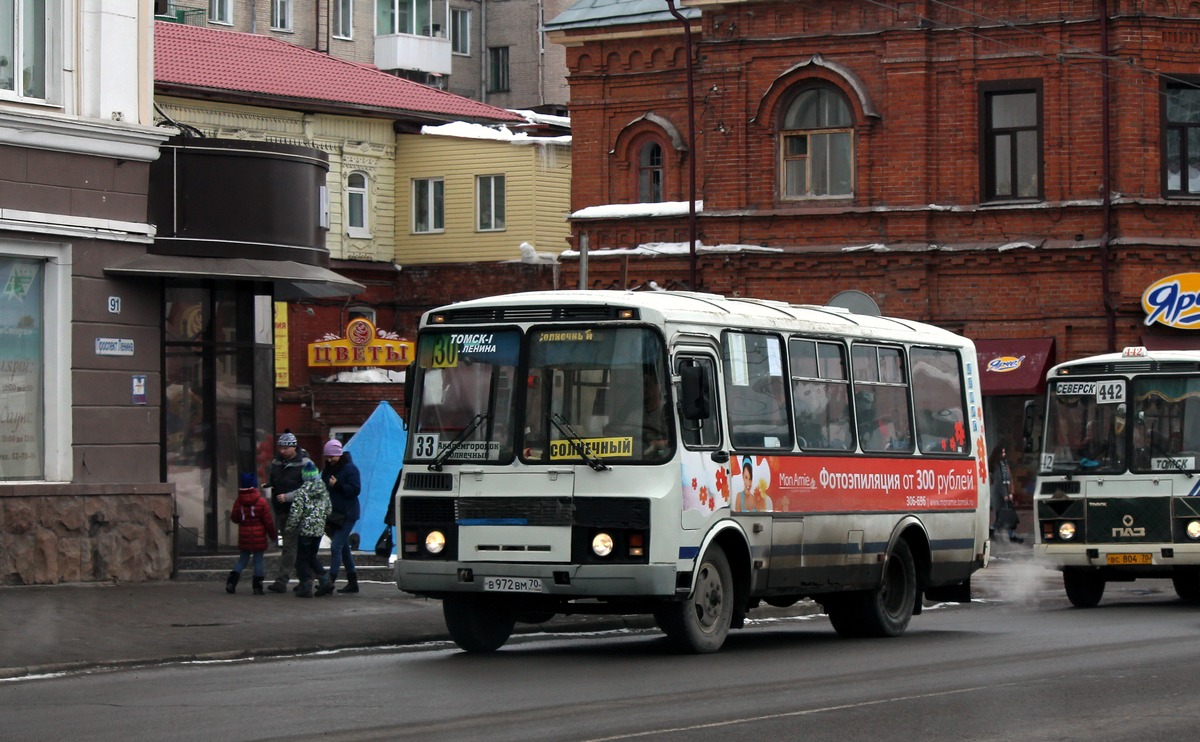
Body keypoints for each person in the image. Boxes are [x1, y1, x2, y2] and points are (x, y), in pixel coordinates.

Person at [265, 431, 314, 594]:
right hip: (282, 510)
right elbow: (274, 479)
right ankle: (305, 580)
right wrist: (269, 486)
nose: (282, 451)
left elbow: (311, 487)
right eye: (280, 448)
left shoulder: (305, 463)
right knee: (294, 547)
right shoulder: (277, 462)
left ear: (294, 447)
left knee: (290, 547)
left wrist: (288, 497)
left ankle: (283, 581)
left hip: (298, 510)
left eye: (286, 448)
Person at [286, 460, 335, 598]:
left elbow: (296, 513)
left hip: (305, 530)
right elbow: (329, 510)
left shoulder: (301, 492)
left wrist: (290, 528)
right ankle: (325, 581)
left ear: (304, 477)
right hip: (319, 530)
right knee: (311, 556)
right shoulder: (323, 490)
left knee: (302, 558)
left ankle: (307, 586)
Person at [225, 473, 277, 595]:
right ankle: (257, 587)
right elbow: (268, 521)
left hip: (244, 535)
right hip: (259, 536)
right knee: (258, 560)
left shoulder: (239, 501)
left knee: (242, 560)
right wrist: (273, 535)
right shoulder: (261, 501)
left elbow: (234, 518)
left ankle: (231, 583)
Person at [322, 438, 362, 594]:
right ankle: (353, 582)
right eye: (327, 456)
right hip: (336, 514)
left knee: (336, 546)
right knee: (344, 548)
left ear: (339, 454)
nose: (329, 459)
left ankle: (329, 581)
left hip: (348, 514)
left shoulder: (350, 469)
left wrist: (337, 485)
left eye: (332, 456)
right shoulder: (329, 468)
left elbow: (355, 490)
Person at [991, 446, 1022, 543]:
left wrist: (1011, 492)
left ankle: (1009, 535)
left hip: (1006, 493)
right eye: (1002, 453)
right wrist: (1005, 494)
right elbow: (1000, 482)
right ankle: (993, 531)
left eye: (1004, 453)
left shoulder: (1004, 464)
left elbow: (1009, 479)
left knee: (1007, 516)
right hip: (1000, 495)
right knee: (1003, 516)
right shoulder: (996, 466)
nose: (1004, 455)